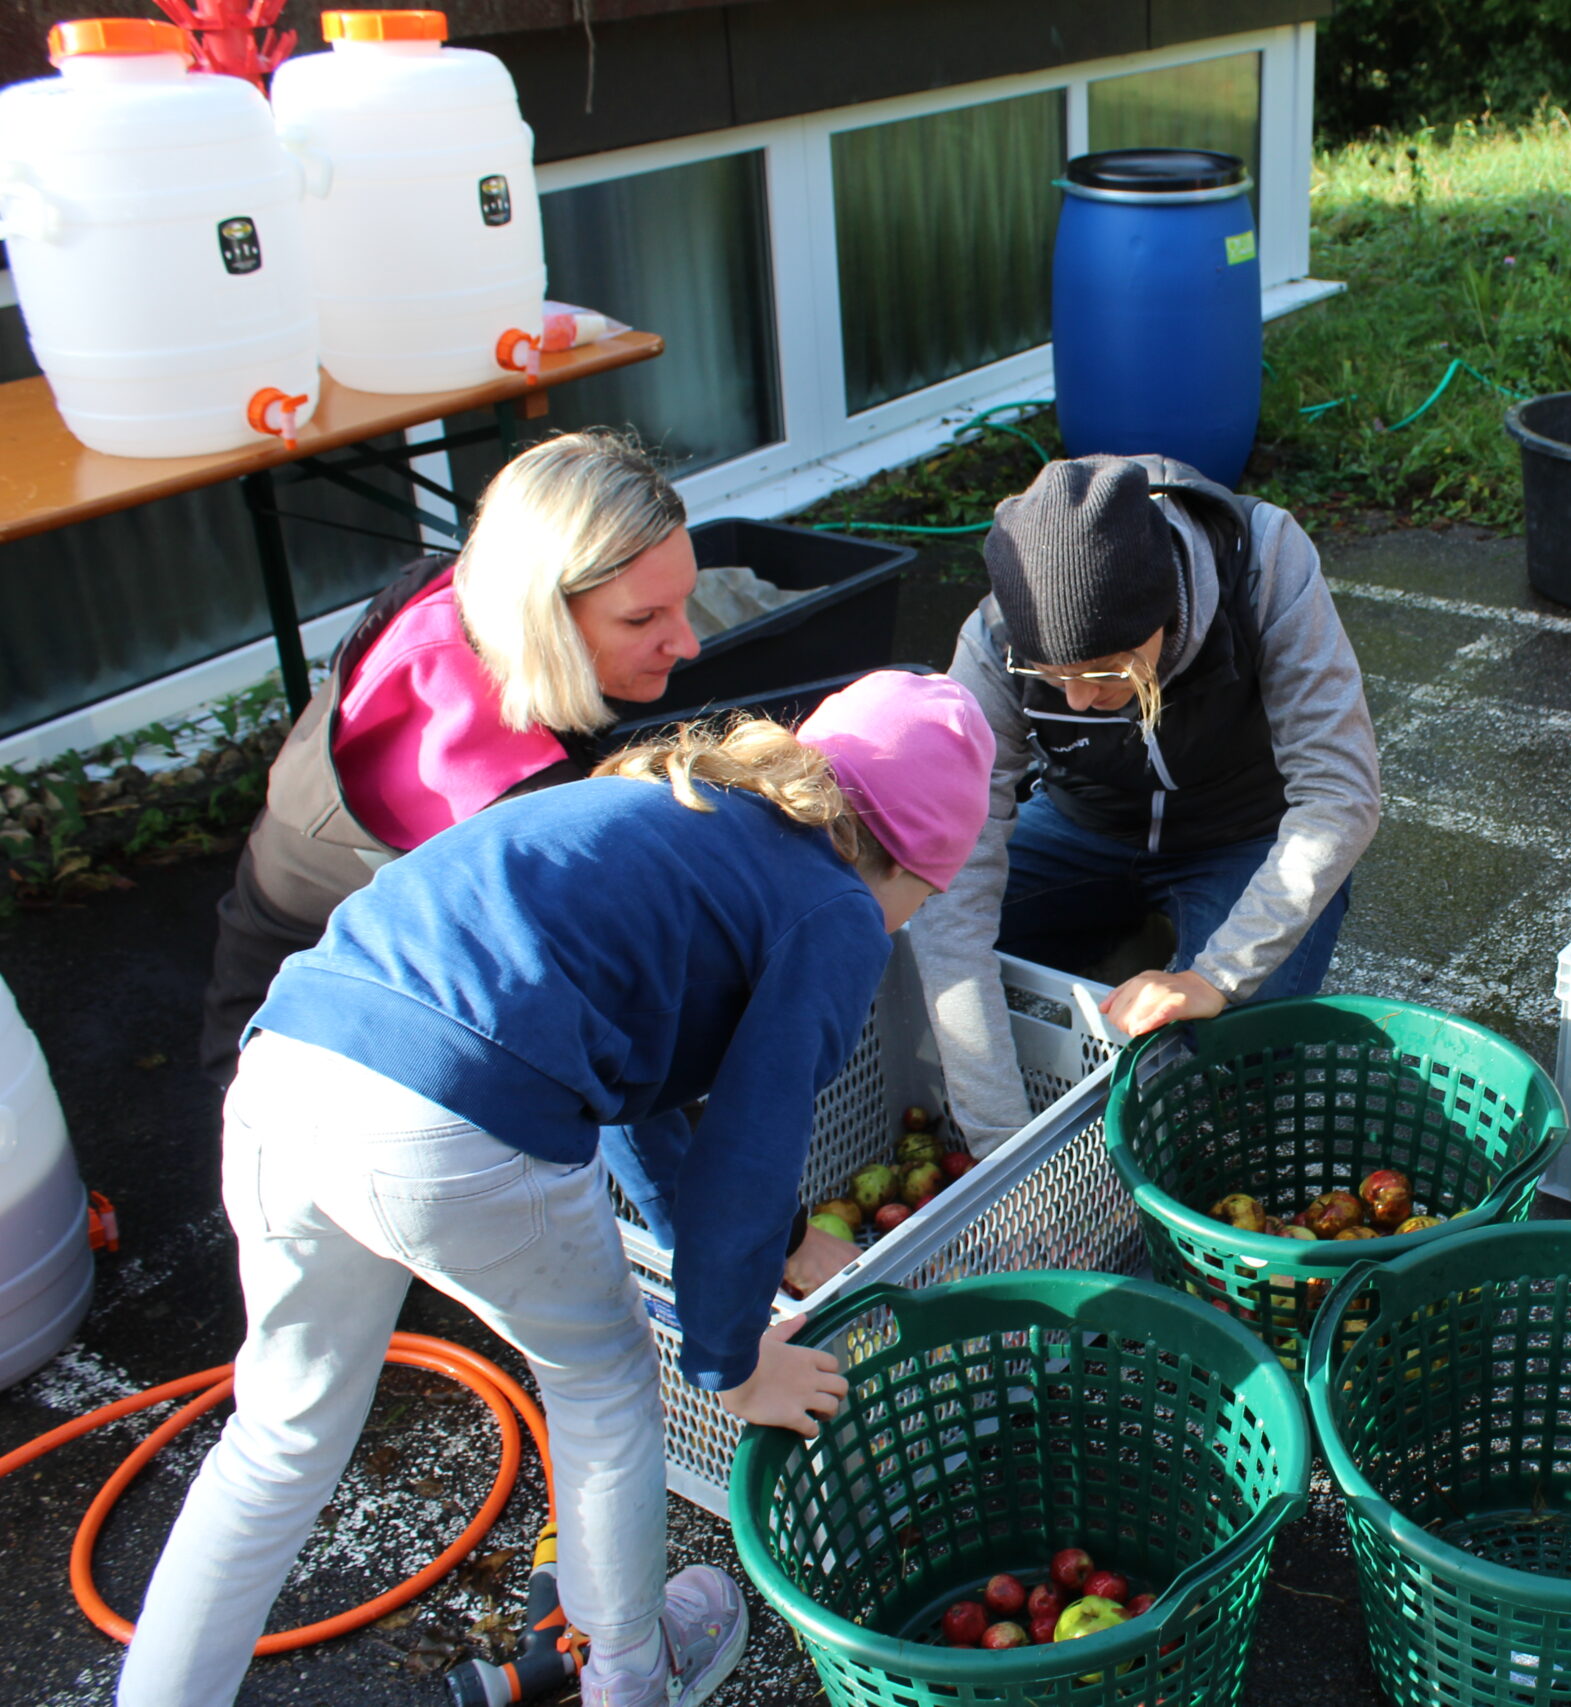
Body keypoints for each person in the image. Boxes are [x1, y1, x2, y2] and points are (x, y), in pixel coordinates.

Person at [118, 672, 996, 1707]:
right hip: (448, 1108)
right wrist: (732, 1363)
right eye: (918, 907)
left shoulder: (685, 805)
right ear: (909, 862)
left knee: (282, 1434)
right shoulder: (836, 907)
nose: (896, 931)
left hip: (291, 1063)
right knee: (604, 1378)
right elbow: (748, 1150)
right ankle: (633, 1673)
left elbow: (638, 1103)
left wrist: (782, 1246)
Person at [908, 454, 1380, 1151]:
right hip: (1082, 827)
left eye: (1101, 673)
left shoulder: (1262, 561)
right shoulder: (994, 639)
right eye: (1050, 675)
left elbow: (1339, 794)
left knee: (1229, 1063)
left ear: (1164, 608)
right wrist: (997, 1150)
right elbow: (954, 866)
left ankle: (1180, 942)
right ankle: (1137, 937)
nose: (1073, 699)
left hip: (1242, 838)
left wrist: (1215, 974)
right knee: (911, 932)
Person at [200, 430, 702, 1080]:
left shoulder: (456, 586)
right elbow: (595, 1005)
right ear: (541, 615)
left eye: (685, 600)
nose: (687, 643)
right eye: (643, 620)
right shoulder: (512, 796)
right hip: (301, 1052)